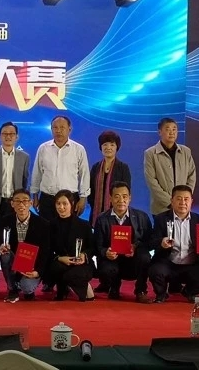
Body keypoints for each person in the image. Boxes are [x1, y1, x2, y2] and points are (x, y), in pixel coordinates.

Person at [149, 185, 199, 303]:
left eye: (186, 199)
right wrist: (161, 242)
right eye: (179, 199)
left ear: (191, 201)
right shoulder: (161, 218)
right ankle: (161, 294)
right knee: (155, 271)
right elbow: (152, 241)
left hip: (192, 264)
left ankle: (187, 292)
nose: (183, 202)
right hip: (168, 263)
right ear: (172, 201)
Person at [0, 121, 30, 292]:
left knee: (17, 243)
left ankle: (17, 279)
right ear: (0, 136)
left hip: (15, 206)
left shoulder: (24, 157)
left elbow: (24, 181)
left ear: (17, 137)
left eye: (11, 134)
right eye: (5, 134)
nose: (8, 137)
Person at [93, 181, 154, 303]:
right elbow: (97, 246)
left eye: (125, 196)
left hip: (133, 259)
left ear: (130, 198)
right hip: (112, 260)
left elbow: (149, 242)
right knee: (106, 269)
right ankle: (113, 288)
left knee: (145, 257)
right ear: (110, 198)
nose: (121, 200)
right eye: (117, 196)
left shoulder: (142, 217)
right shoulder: (101, 219)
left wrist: (135, 246)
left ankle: (141, 290)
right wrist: (106, 252)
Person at [89, 130, 131, 294]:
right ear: (101, 147)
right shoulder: (95, 167)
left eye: (112, 145)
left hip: (116, 215)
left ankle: (115, 281)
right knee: (100, 246)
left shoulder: (123, 167)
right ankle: (104, 281)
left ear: (117, 147)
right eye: (105, 144)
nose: (108, 147)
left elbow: (126, 192)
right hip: (98, 214)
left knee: (115, 247)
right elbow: (91, 191)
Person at [30, 116, 90, 222]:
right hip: (47, 199)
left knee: (69, 229)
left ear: (69, 129)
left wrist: (83, 198)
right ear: (51, 129)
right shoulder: (43, 148)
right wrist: (35, 196)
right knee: (46, 229)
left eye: (62, 127)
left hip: (70, 199)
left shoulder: (78, 149)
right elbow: (37, 173)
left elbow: (84, 175)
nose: (58, 131)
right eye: (55, 127)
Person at [0, 189, 51, 303]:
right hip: (13, 263)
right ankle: (12, 289)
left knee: (27, 288)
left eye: (25, 201)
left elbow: (46, 252)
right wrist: (1, 246)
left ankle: (28, 289)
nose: (21, 204)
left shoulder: (43, 224)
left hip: (32, 266)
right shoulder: (5, 221)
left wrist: (38, 271)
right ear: (12, 204)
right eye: (17, 201)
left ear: (31, 203)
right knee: (5, 255)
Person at [48, 190, 95, 302]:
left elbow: (93, 247)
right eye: (58, 203)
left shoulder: (84, 225)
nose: (61, 207)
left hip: (80, 263)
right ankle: (63, 289)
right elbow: (47, 249)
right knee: (55, 268)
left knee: (72, 274)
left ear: (72, 204)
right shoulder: (50, 225)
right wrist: (60, 258)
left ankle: (72, 287)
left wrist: (84, 256)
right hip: (61, 262)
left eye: (65, 203)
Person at [143, 118, 196, 215]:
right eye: (168, 129)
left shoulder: (186, 151)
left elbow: (191, 176)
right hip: (161, 209)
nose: (171, 132)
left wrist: (184, 199)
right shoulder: (150, 153)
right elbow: (151, 182)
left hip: (183, 208)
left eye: (174, 129)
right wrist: (170, 202)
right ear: (159, 132)